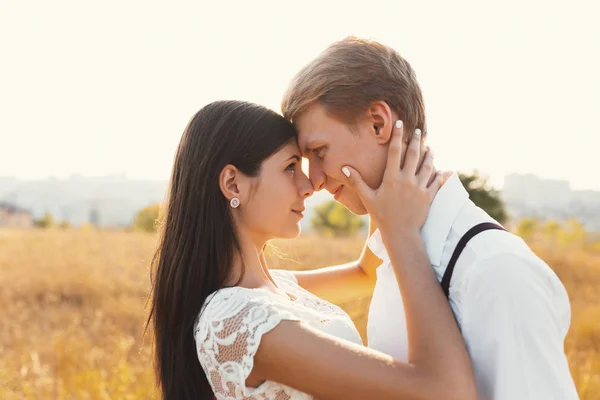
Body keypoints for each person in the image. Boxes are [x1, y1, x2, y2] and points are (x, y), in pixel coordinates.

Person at [281, 36, 579, 399]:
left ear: (378, 123)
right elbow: (362, 274)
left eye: (319, 151)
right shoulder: (396, 242)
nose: (314, 180)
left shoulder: (493, 269)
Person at [147, 100, 478, 399]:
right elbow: (445, 391)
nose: (309, 186)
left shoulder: (275, 288)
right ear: (233, 184)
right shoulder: (239, 319)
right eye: (291, 167)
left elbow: (366, 273)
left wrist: (383, 167)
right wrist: (402, 234)